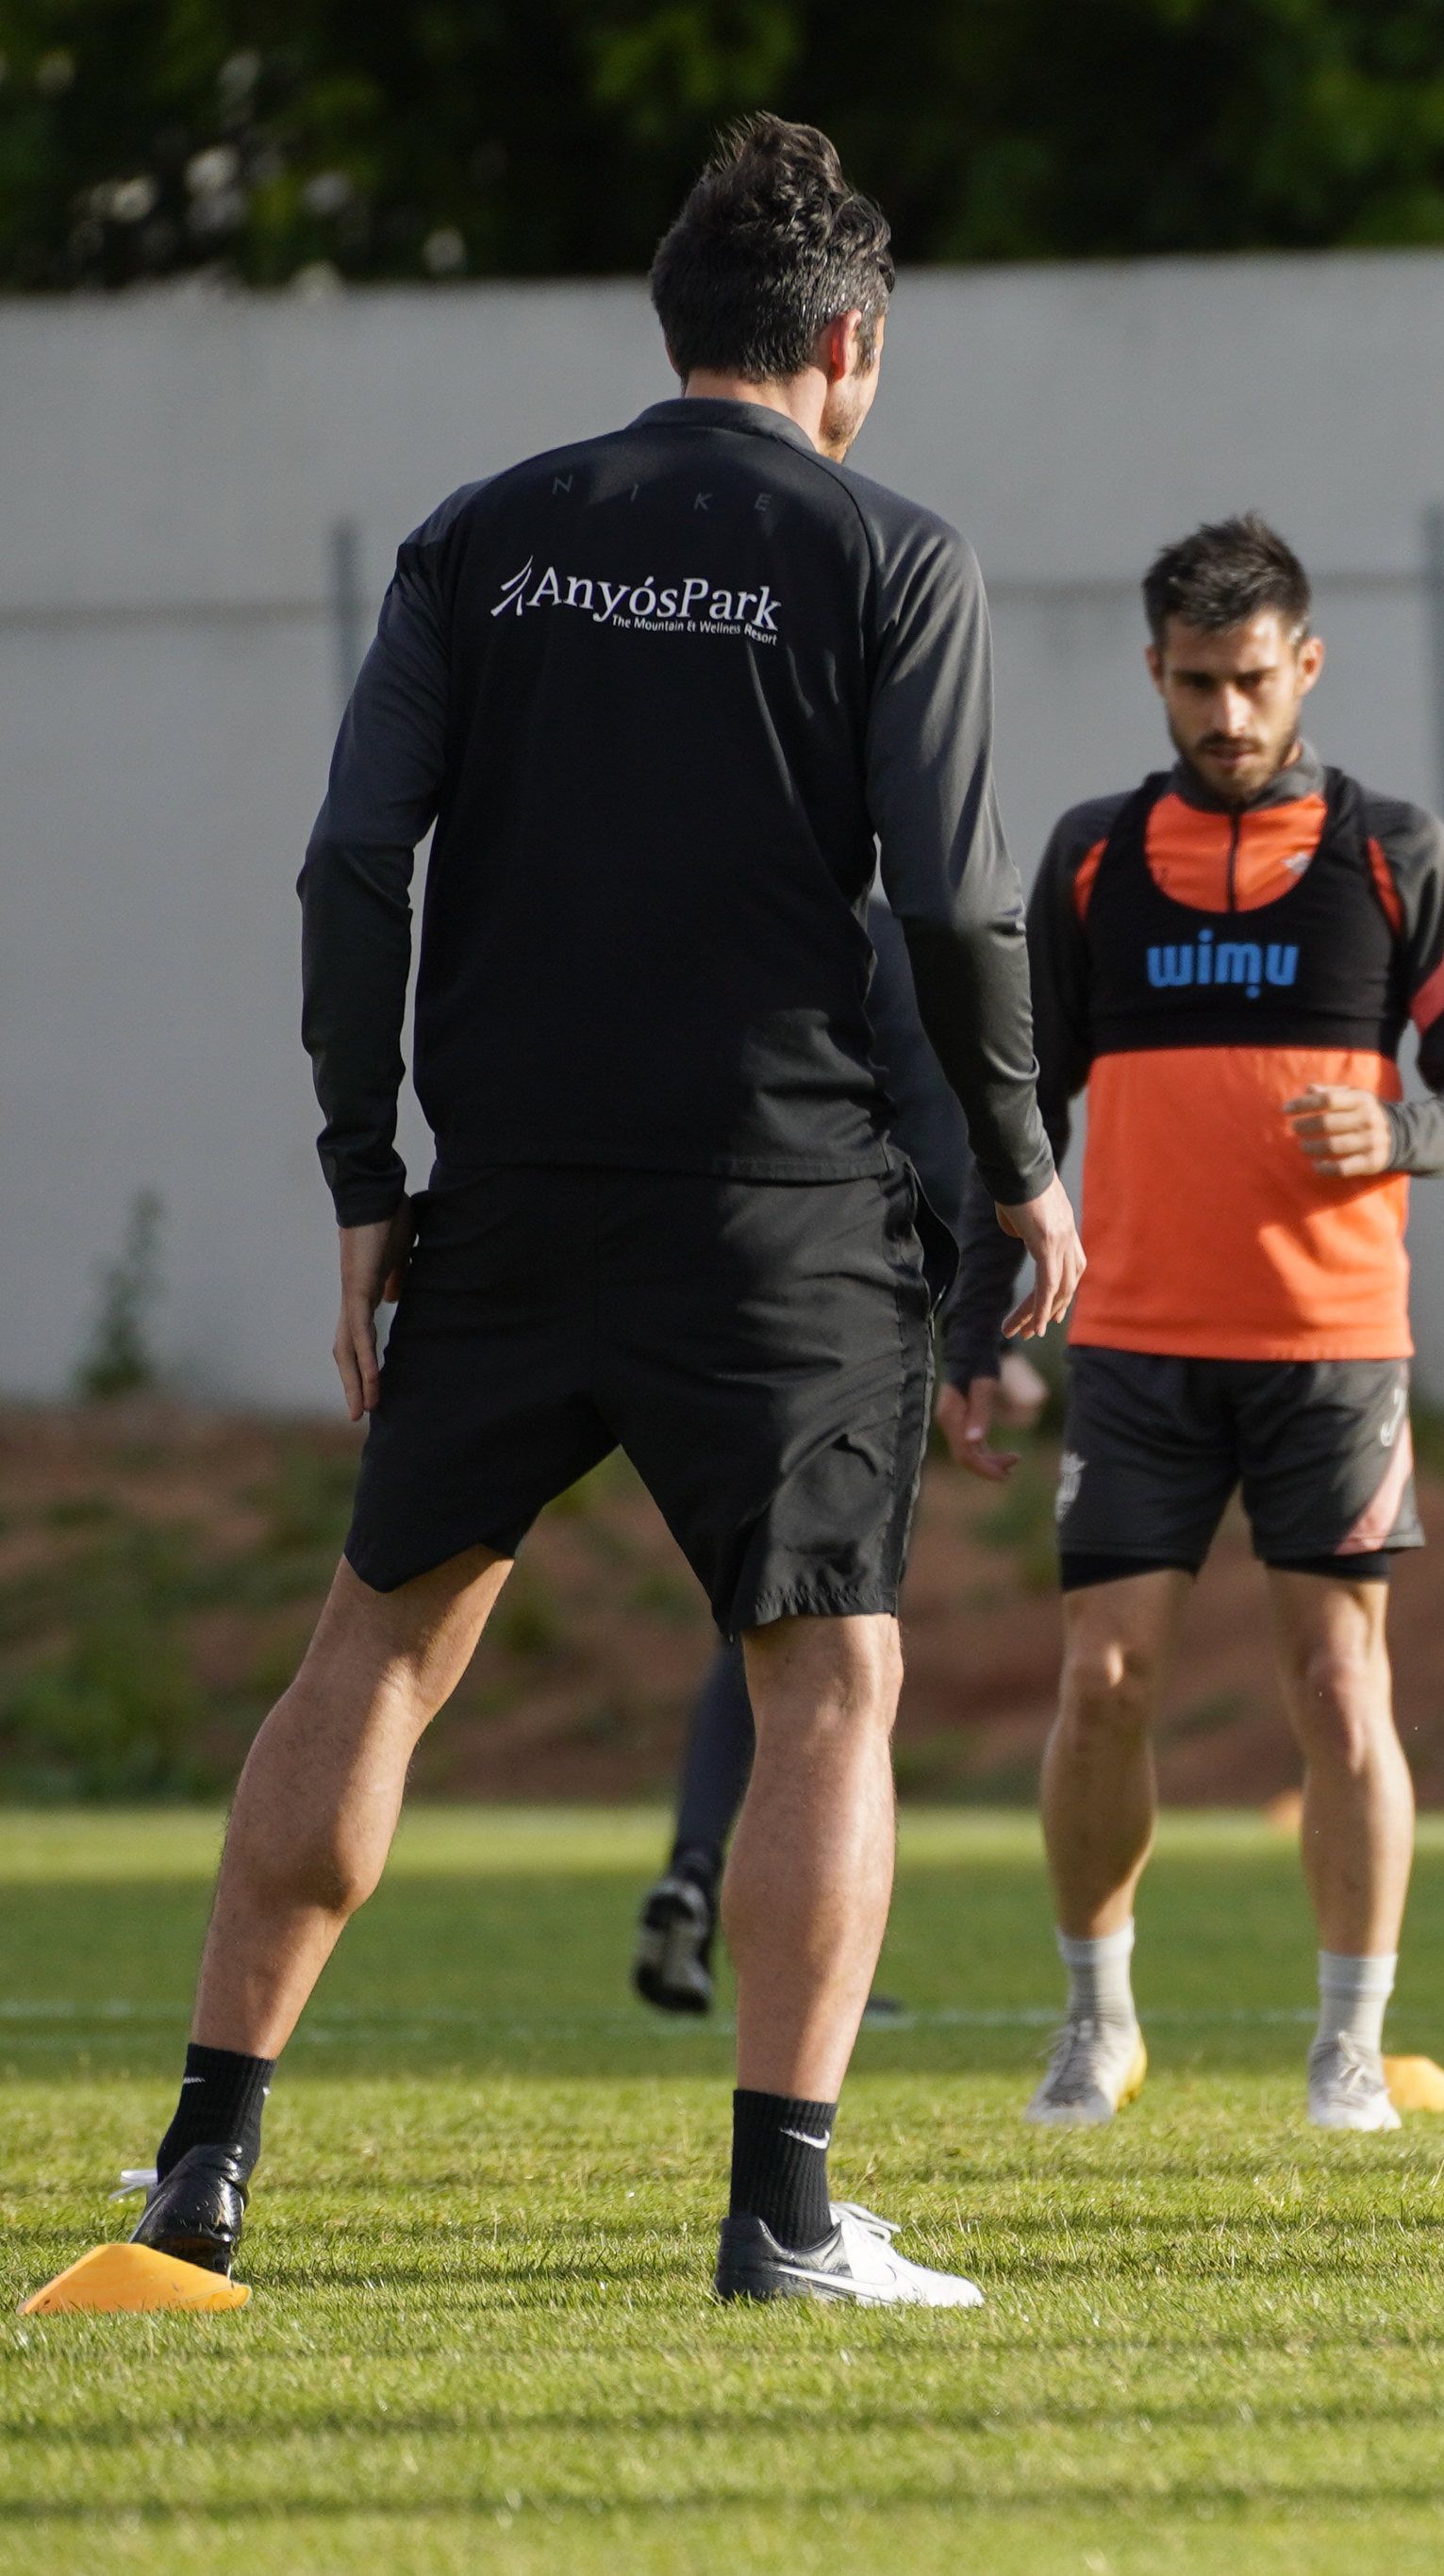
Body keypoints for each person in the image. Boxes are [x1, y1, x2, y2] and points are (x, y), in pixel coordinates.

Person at [132, 115, 1082, 2309]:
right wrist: (1022, 1157)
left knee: (370, 1651)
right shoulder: (887, 550)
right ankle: (781, 2214)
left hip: (513, 1196)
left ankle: (199, 2179)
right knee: (830, 1678)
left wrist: (366, 1174)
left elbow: (354, 863)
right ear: (846, 345)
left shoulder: (486, 536)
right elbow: (954, 897)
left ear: (673, 334)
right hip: (778, 1208)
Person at [1013, 515, 1444, 2136]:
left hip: (1331, 1353)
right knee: (1102, 1680)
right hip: (1136, 1349)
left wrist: (1405, 1136)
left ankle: (1350, 2049)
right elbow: (1019, 1100)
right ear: (1154, 675)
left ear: (1305, 665)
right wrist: (982, 1323)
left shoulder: (1394, 852)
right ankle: (1098, 2024)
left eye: (1250, 680)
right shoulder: (1093, 858)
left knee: (1339, 1686)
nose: (1224, 715)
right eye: (1193, 683)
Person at [633, 896, 1047, 2020]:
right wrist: (974, 1335)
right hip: (828, 1327)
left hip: (667, 1311)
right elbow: (931, 1130)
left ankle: (694, 1868)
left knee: (759, 1627)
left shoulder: (686, 924)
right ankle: (811, 1962)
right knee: (830, 1651)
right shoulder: (879, 941)